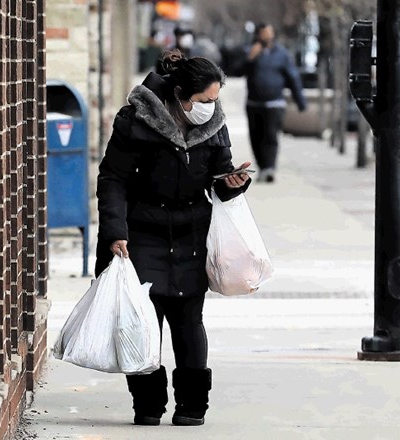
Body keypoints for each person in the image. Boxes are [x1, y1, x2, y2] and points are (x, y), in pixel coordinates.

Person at [95, 49, 252, 427]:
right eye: (203, 101)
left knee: (188, 320)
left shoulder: (214, 124)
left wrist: (234, 184)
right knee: (142, 321)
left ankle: (192, 406)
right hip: (141, 232)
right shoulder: (136, 120)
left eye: (215, 101)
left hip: (191, 232)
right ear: (180, 94)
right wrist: (116, 231)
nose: (209, 108)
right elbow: (112, 178)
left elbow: (219, 177)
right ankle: (147, 406)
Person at [243, 23, 306, 183]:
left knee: (271, 136)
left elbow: (293, 77)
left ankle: (269, 168)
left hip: (274, 103)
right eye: (263, 33)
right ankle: (263, 166)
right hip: (254, 103)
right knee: (255, 137)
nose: (266, 36)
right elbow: (235, 71)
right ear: (257, 35)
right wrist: (250, 59)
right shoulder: (250, 51)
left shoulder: (282, 54)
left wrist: (300, 101)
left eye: (268, 33)